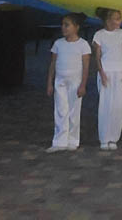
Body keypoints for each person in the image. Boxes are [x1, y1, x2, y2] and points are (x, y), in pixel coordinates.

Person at [45, 13, 91, 153]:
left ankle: (73, 139)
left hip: (75, 82)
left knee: (74, 111)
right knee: (60, 110)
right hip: (60, 81)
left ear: (76, 27)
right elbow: (53, 64)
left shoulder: (83, 45)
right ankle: (59, 140)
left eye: (67, 25)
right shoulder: (58, 44)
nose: (63, 28)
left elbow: (86, 67)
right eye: (63, 25)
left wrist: (83, 85)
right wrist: (49, 83)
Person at [92, 7, 122, 150]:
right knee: (106, 105)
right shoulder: (99, 35)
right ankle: (104, 137)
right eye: (117, 18)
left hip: (120, 71)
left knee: (119, 105)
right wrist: (101, 73)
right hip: (107, 71)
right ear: (108, 20)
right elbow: (97, 56)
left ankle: (114, 137)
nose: (119, 21)